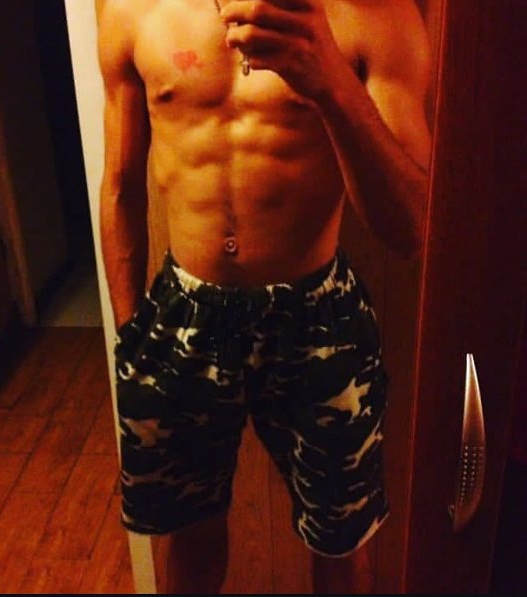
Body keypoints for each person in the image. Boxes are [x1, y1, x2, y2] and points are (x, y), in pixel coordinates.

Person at [97, 0, 431, 592]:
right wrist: (130, 339)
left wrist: (329, 80)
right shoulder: (130, 8)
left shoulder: (378, 15)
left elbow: (410, 229)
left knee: (341, 543)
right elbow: (120, 187)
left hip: (318, 317)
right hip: (182, 319)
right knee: (189, 538)